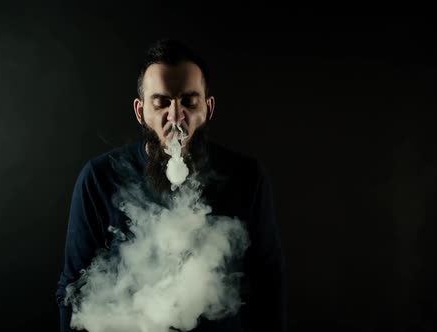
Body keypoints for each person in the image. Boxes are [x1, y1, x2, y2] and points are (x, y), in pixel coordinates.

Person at [56, 39, 286, 332]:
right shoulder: (100, 178)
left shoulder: (245, 176)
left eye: (189, 101)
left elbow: (268, 282)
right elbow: (74, 286)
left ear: (208, 107)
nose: (176, 117)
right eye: (161, 102)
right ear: (140, 112)